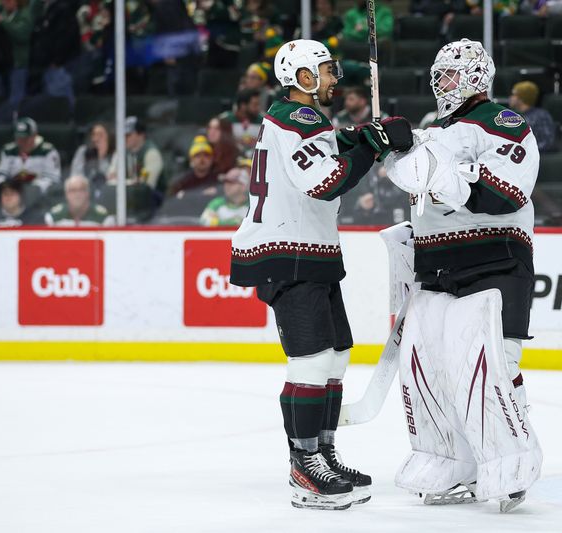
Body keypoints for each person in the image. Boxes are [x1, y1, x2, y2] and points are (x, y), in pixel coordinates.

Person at [227, 39, 412, 510]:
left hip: (308, 252)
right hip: (288, 255)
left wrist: (370, 135)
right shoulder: (298, 118)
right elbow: (327, 181)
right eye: (327, 71)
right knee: (311, 363)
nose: (335, 78)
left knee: (333, 359)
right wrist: (373, 144)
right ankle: (304, 465)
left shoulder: (300, 119)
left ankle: (323, 454)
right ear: (303, 78)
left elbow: (332, 147)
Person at [383, 38, 542, 512]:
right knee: (430, 368)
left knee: (492, 364)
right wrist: (397, 150)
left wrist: (441, 172)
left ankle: (510, 462)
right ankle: (454, 461)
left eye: (450, 75)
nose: (442, 84)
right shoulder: (434, 132)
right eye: (438, 76)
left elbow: (506, 194)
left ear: (475, 77)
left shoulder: (502, 123)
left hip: (495, 259)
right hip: (436, 264)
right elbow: (421, 190)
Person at [0, 117, 61, 195]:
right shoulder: (8, 151)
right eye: (18, 138)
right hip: (13, 192)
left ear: (35, 135)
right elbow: (1, 174)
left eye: (25, 139)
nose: (21, 142)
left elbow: (53, 178)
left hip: (39, 194)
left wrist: (33, 188)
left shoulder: (48, 151)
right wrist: (4, 185)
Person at [107, 116, 164, 191]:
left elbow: (146, 184)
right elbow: (111, 177)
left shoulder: (151, 153)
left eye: (128, 135)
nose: (124, 138)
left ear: (141, 135)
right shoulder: (120, 153)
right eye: (122, 135)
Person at [0, 0, 33, 107]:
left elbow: (22, 35)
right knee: (1, 97)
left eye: (9, 0)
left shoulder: (24, 14)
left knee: (16, 98)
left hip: (18, 62)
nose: (6, 2)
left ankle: (16, 120)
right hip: (3, 63)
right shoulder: (2, 13)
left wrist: (4, 23)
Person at [45, 174, 114, 226]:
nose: (77, 194)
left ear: (88, 193)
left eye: (81, 189)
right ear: (66, 194)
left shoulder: (102, 218)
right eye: (73, 190)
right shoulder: (54, 217)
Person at [509, 81, 555, 153]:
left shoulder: (541, 116)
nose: (511, 97)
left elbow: (546, 142)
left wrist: (525, 152)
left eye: (514, 95)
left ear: (521, 98)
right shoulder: (512, 115)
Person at [70, 122, 116, 187]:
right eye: (94, 134)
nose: (96, 138)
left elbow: (115, 177)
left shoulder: (115, 155)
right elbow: (75, 177)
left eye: (100, 135)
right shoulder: (83, 152)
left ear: (108, 137)